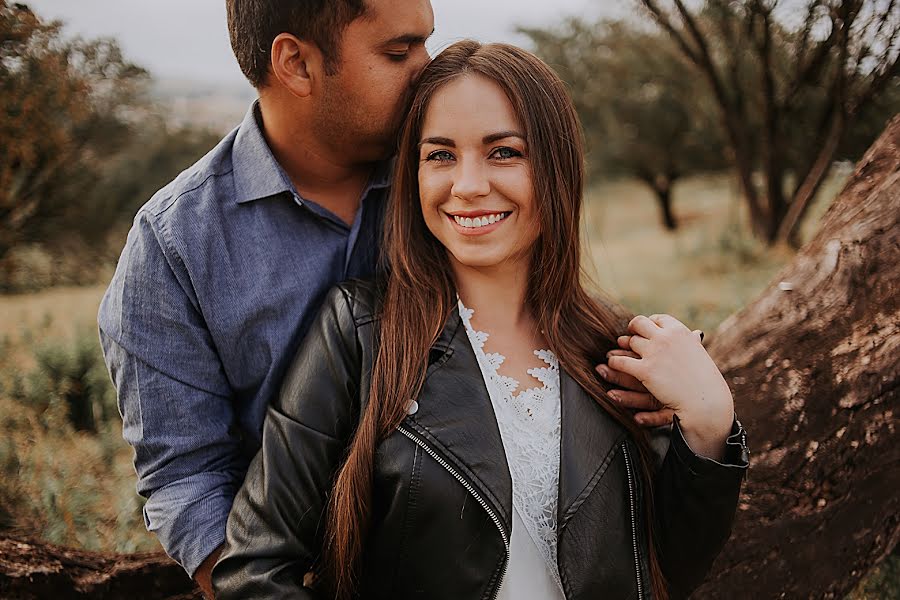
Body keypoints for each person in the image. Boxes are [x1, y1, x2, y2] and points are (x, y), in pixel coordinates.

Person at [97, 2, 653, 597]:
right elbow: (188, 476)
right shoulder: (174, 246)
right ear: (297, 64)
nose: (427, 67)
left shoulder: (447, 179)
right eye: (398, 51)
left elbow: (533, 303)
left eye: (425, 42)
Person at [211, 41, 749, 600]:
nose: (467, 185)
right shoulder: (359, 333)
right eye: (440, 155)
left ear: (556, 165)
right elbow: (255, 569)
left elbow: (667, 572)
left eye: (503, 152)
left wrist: (710, 424)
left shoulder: (615, 348)